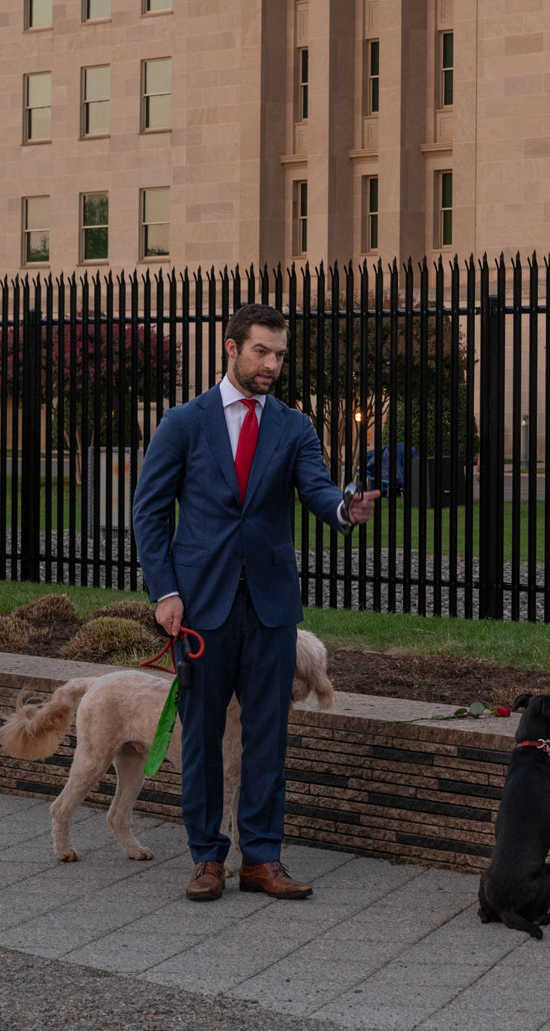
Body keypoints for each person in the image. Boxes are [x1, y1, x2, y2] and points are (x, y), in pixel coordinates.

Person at [132, 302, 379, 903]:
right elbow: (150, 512)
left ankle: (262, 859)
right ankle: (207, 859)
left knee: (268, 736)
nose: (271, 364)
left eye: (279, 355)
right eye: (261, 352)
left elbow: (319, 491)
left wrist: (345, 510)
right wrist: (165, 592)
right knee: (204, 741)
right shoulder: (184, 423)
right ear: (231, 348)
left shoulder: (293, 427)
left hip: (270, 608)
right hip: (201, 607)